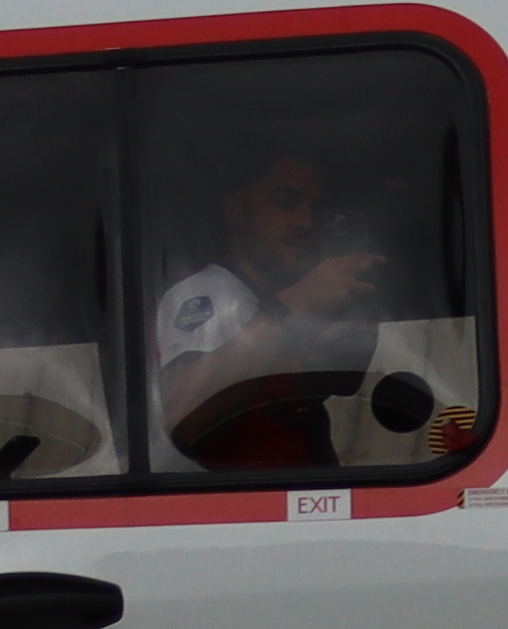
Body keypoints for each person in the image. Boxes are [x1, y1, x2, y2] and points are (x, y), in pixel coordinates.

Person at [149, 147, 402, 463]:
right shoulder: (210, 293)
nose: (306, 222)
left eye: (318, 209)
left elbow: (344, 381)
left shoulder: (271, 301)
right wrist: (291, 309)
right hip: (240, 502)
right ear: (236, 210)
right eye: (285, 201)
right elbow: (183, 410)